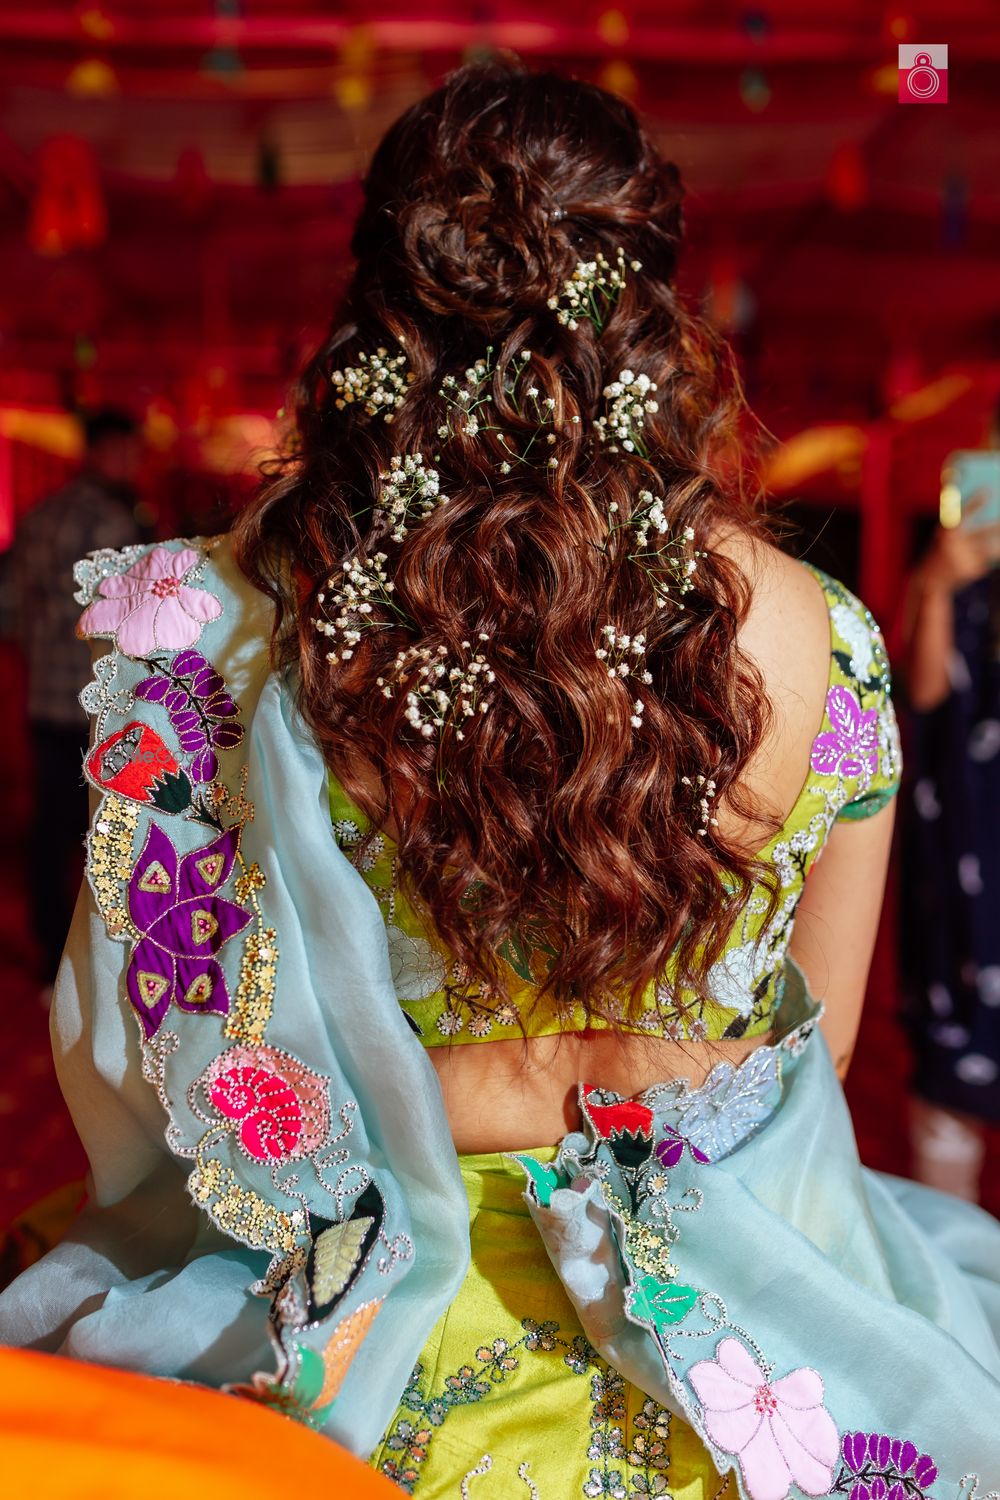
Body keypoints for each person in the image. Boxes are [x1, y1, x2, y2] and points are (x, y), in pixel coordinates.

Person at [1, 59, 999, 1500]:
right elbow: (817, 1054)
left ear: (377, 312)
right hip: (738, 1338)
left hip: (355, 1343)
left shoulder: (209, 620)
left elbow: (156, 1058)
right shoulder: (826, 635)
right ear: (650, 309)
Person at [12, 407, 143, 989]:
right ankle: (89, 969)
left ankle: (46, 958)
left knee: (50, 829)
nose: (135, 466)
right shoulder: (114, 524)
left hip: (44, 697)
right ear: (105, 453)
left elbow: (8, 608)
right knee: (104, 832)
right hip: (98, 705)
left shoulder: (39, 517)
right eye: (130, 454)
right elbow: (131, 625)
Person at [902, 484, 1000, 1204]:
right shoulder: (955, 571)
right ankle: (955, 1287)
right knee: (948, 1079)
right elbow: (925, 692)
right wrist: (937, 584)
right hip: (965, 833)